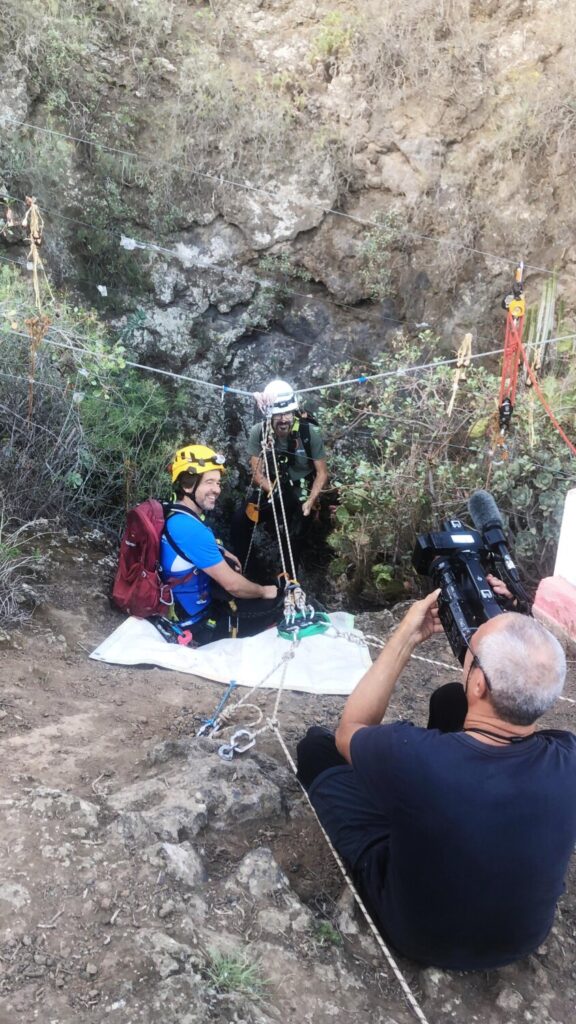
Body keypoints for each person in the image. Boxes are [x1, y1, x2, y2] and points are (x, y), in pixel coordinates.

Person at [296, 591, 576, 970]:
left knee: (316, 748)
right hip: (520, 939)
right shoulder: (568, 758)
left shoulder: (413, 756)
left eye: (471, 657)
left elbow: (351, 728)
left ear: (479, 684)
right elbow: (520, 704)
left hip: (418, 936)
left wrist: (406, 636)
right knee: (449, 699)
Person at [160, 444, 281, 645]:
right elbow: (233, 586)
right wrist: (265, 591)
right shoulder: (191, 529)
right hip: (201, 625)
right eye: (209, 482)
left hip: (186, 611)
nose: (216, 490)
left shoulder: (175, 515)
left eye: (218, 483)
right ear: (188, 485)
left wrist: (222, 550)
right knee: (282, 604)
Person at [230, 379, 329, 575]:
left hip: (302, 487)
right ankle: (244, 568)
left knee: (295, 532)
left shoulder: (309, 433)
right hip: (274, 485)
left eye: (287, 413)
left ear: (294, 412)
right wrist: (273, 490)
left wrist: (310, 501)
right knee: (241, 519)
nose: (283, 419)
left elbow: (322, 473)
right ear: (269, 415)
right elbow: (257, 474)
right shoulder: (259, 432)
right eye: (278, 415)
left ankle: (290, 580)